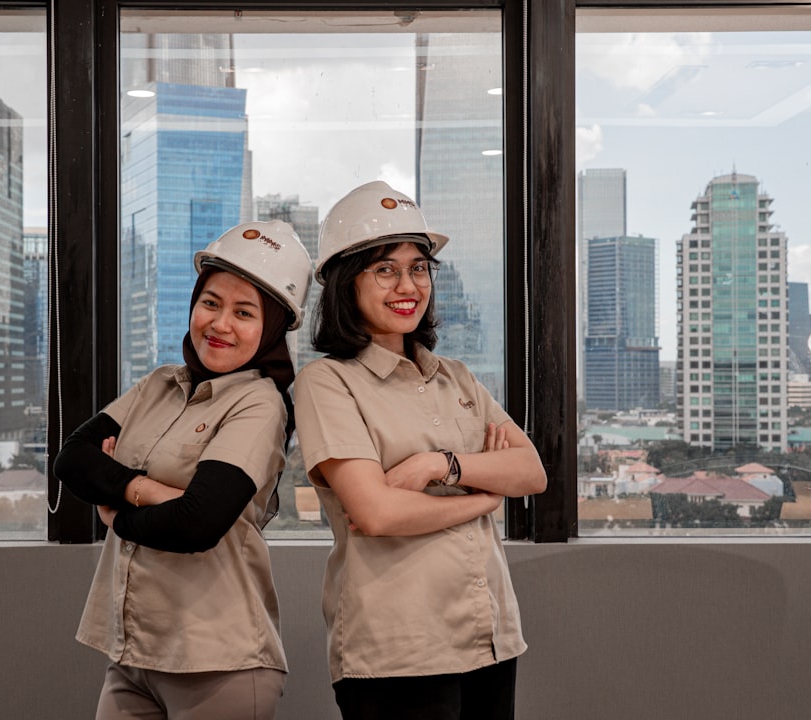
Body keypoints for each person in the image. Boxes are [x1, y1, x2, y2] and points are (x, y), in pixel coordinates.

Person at [293, 181, 548, 719]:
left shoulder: (456, 376)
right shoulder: (327, 383)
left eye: (419, 268)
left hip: (490, 635)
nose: (407, 285)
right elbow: (377, 513)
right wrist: (483, 497)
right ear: (345, 283)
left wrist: (441, 465)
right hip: (399, 649)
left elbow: (530, 472)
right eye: (385, 269)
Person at [53, 219, 312, 720]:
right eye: (210, 303)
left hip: (218, 660)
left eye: (244, 312)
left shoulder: (259, 404)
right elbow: (73, 459)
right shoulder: (158, 385)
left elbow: (197, 523)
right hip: (133, 653)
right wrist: (146, 490)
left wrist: (115, 511)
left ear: (273, 329)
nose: (220, 324)